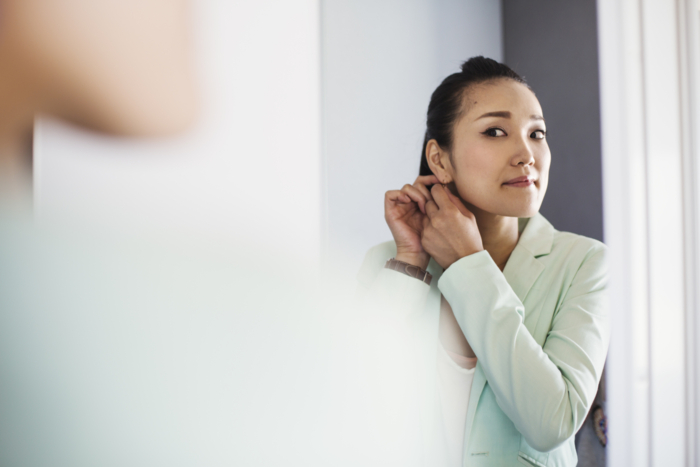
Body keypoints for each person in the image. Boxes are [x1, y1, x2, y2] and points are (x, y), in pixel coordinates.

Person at [356, 57, 609, 466]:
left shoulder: (584, 263)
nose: (526, 154)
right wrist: (410, 260)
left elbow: (552, 422)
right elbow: (349, 404)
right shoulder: (388, 263)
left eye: (537, 133)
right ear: (439, 159)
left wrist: (470, 264)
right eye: (495, 131)